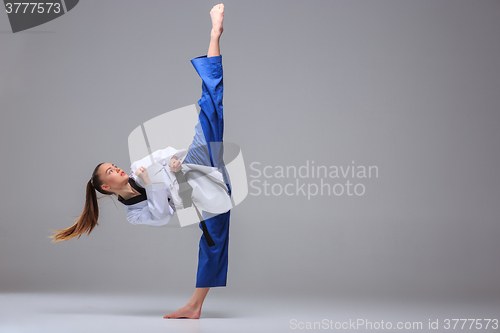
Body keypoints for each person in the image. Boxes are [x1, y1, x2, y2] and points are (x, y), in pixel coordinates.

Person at [49, 3, 228, 319]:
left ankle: (214, 35)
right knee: (213, 243)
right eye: (110, 171)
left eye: (113, 164)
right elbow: (161, 215)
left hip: (197, 163)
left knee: (210, 106)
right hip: (201, 196)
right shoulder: (134, 214)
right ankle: (195, 306)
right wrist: (151, 183)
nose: (116, 167)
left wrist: (173, 164)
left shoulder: (137, 165)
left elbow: (167, 154)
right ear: (106, 186)